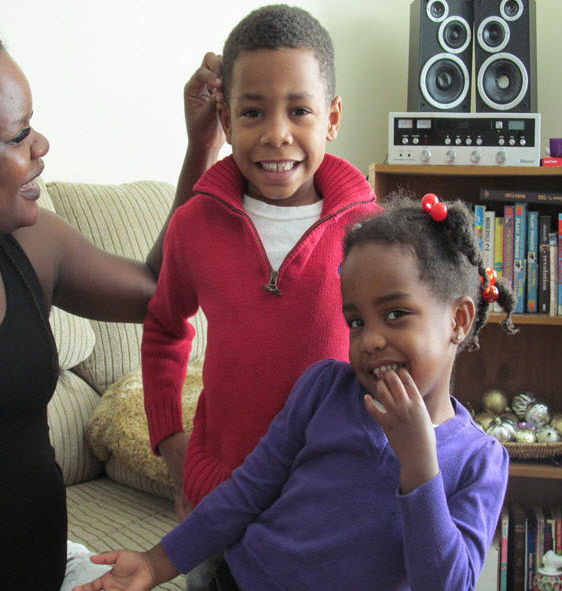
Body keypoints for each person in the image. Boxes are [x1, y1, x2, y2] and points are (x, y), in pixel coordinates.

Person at [73, 192, 515, 591]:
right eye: (356, 321)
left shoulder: (481, 461)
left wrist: (420, 466)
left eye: (396, 313)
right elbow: (246, 492)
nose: (371, 340)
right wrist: (154, 563)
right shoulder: (324, 389)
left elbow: (446, 584)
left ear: (458, 321)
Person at [0, 4, 224, 590]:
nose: (42, 144)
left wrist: (203, 143)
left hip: (55, 569)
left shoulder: (32, 243)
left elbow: (155, 293)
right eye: (19, 135)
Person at [140, 3, 380, 588]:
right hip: (216, 501)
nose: (276, 133)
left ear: (333, 117)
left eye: (299, 110)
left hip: (325, 505)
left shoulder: (371, 233)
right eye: (252, 111)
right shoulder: (195, 224)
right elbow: (165, 329)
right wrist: (171, 443)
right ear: (224, 116)